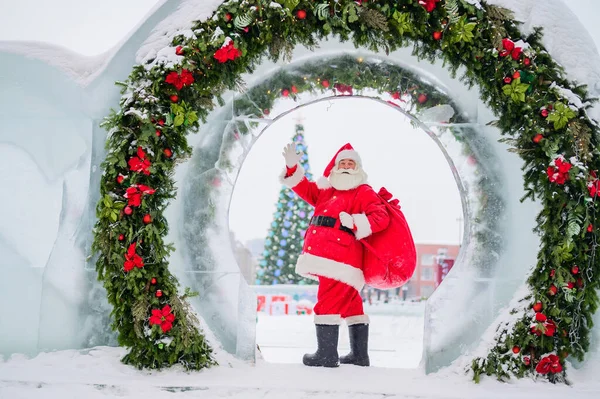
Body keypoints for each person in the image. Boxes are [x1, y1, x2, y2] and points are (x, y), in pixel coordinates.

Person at [279, 142, 390, 367]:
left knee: (328, 301)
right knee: (351, 304)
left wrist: (357, 222)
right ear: (336, 167)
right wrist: (292, 168)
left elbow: (381, 217)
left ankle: (326, 355)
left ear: (358, 168)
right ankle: (359, 355)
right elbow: (304, 188)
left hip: (341, 259)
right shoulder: (326, 191)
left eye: (351, 163)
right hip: (327, 255)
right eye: (343, 162)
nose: (347, 166)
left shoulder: (363, 191)